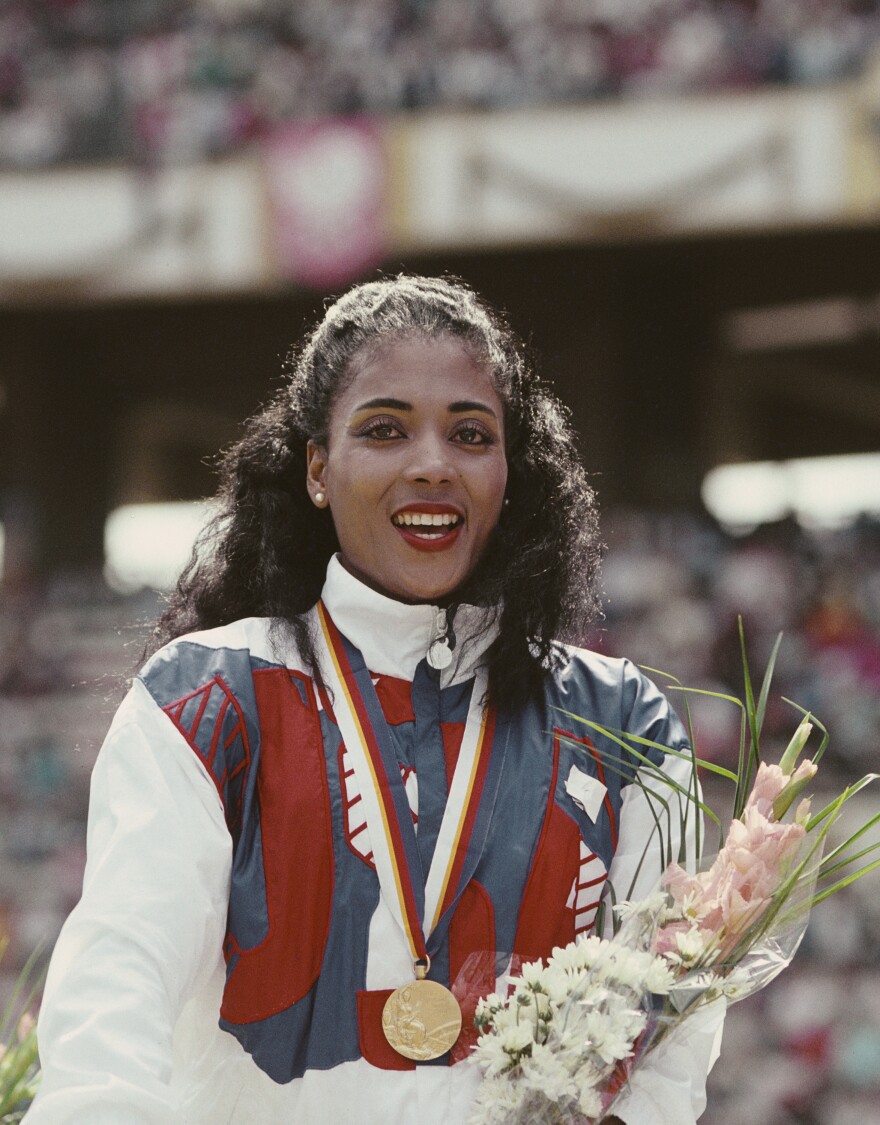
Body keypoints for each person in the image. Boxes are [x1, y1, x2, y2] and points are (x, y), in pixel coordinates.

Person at [26, 275, 722, 1124]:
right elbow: (117, 979)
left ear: (510, 472)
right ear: (318, 468)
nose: (432, 463)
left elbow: (674, 1027)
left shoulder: (624, 722)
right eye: (384, 429)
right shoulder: (204, 699)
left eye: (471, 433)